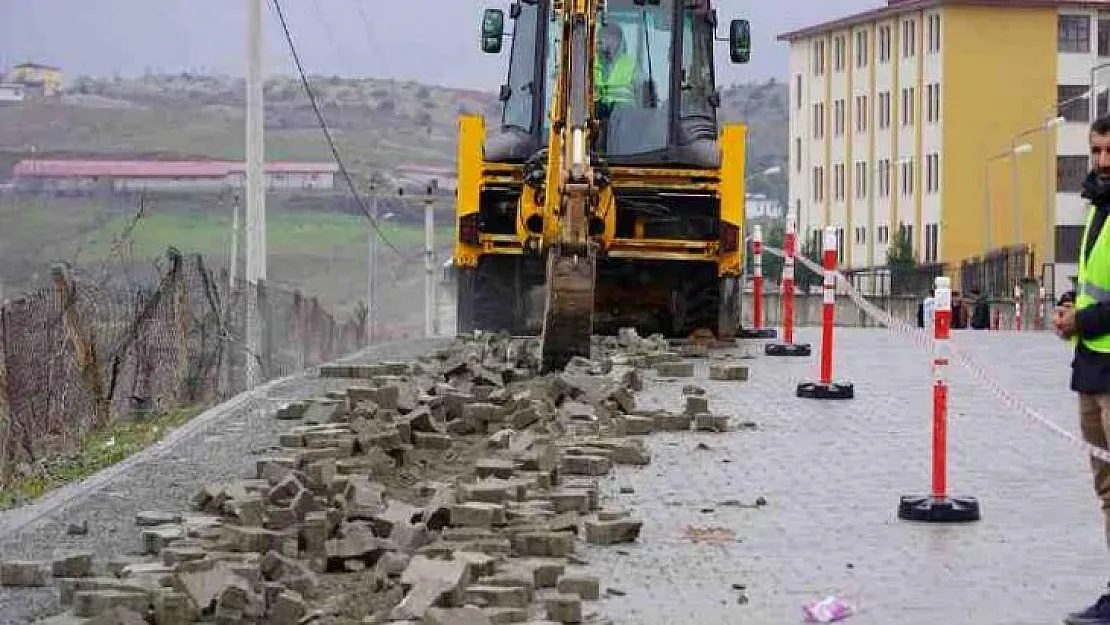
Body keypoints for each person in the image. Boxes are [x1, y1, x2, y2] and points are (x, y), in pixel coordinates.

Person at [1055, 115, 1110, 625]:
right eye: (1096, 151)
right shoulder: (1097, 208)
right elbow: (1095, 279)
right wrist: (1069, 303)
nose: (1103, 161)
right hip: (1092, 367)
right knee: (1106, 487)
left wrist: (1081, 320)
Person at [594, 21, 636, 152]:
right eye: (600, 37)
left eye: (607, 37)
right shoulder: (590, 61)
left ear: (617, 41)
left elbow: (644, 94)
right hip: (596, 116)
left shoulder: (630, 64)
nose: (601, 40)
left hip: (623, 117)